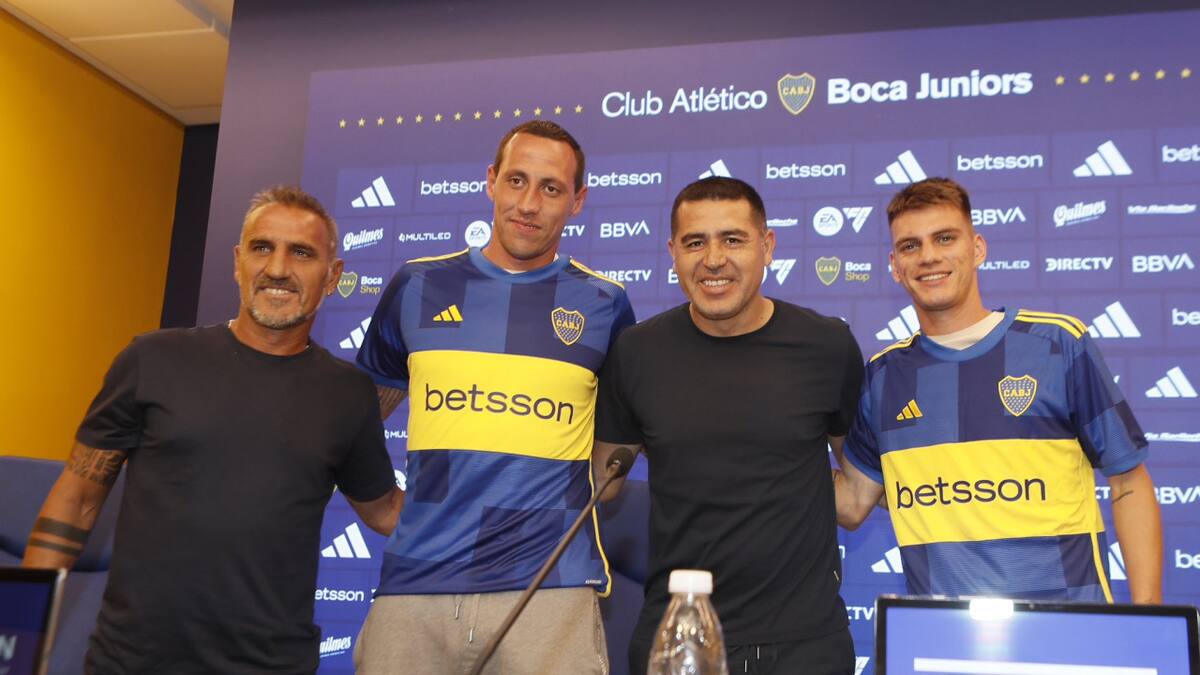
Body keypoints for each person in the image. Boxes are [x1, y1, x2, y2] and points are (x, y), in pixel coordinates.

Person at [21, 186, 402, 673]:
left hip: (270, 664)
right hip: (132, 662)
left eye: (301, 253)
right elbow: (77, 498)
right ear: (237, 261)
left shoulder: (347, 393)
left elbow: (385, 510)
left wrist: (503, 516)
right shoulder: (152, 359)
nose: (278, 269)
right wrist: (20, 630)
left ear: (333, 277)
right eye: (262, 248)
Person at [353, 120, 635, 675]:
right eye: (516, 180)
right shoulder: (416, 286)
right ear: (490, 181)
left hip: (549, 586)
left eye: (551, 188)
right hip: (417, 582)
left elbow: (612, 462)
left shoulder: (605, 304)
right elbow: (358, 419)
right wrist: (382, 505)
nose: (529, 203)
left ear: (577, 201)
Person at [835, 177, 1163, 603]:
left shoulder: (1057, 344)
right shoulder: (883, 376)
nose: (929, 256)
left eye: (945, 238)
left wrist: (1149, 618)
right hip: (940, 644)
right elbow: (853, 502)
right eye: (910, 245)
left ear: (977, 248)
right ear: (895, 266)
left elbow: (1129, 483)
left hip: (1070, 636)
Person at [594, 176, 864, 675]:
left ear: (768, 246)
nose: (713, 259)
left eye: (733, 239)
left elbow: (859, 486)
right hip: (678, 638)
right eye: (695, 242)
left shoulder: (827, 347)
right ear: (673, 252)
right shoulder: (636, 352)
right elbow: (601, 482)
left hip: (805, 645)